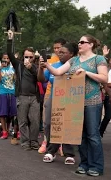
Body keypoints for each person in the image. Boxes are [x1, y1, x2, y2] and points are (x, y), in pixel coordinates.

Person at [42, 35, 107, 176]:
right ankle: (84, 164)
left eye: (82, 42)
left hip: (92, 102)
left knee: (93, 135)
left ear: (90, 45)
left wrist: (87, 73)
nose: (79, 44)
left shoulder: (99, 59)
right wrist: (46, 65)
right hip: (75, 102)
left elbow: (104, 78)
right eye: (79, 42)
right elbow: (58, 72)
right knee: (80, 135)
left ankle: (96, 166)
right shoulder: (74, 60)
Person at [38, 43, 79, 165]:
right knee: (50, 124)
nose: (59, 54)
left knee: (67, 125)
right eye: (58, 52)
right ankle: (51, 151)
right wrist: (41, 68)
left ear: (71, 54)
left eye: (62, 52)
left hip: (71, 99)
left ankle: (69, 153)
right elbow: (41, 79)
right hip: (54, 98)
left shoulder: (76, 66)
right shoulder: (53, 66)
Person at [7, 30, 40, 151]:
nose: (28, 59)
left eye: (31, 57)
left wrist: (31, 68)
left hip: (34, 97)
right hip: (22, 96)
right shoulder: (18, 65)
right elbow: (10, 54)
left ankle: (34, 142)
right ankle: (25, 142)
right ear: (23, 56)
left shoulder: (36, 67)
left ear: (33, 58)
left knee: (35, 121)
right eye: (26, 56)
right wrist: (10, 39)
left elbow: (39, 77)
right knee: (22, 121)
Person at [0, 53, 18, 144]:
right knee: (2, 113)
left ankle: (15, 131)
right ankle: (4, 131)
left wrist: (15, 70)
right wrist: (0, 69)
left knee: (14, 113)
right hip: (3, 93)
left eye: (8, 58)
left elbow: (15, 80)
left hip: (12, 92)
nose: (6, 60)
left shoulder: (13, 68)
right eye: (4, 58)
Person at [100, 45, 111, 137]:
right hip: (106, 96)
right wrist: (104, 56)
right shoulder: (107, 70)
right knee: (107, 116)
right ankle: (99, 133)